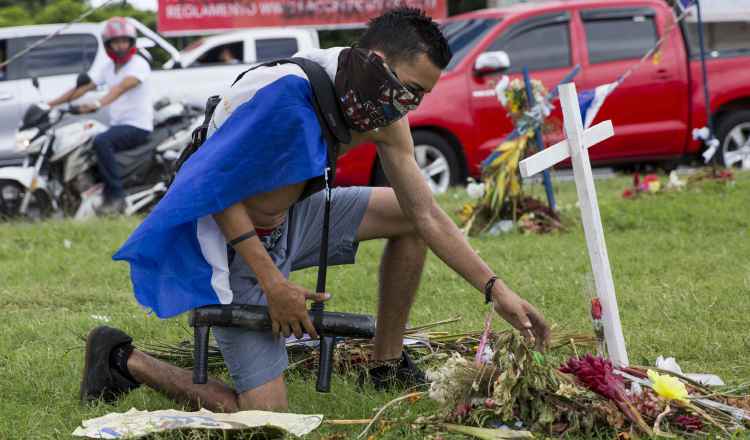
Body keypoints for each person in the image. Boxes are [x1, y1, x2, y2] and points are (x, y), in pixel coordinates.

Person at [80, 8, 550, 412]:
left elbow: (425, 213)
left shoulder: (380, 108)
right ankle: (123, 359)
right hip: (228, 242)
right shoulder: (282, 97)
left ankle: (384, 364)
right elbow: (209, 189)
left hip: (294, 219)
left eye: (420, 97)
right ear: (377, 64)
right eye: (407, 91)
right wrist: (273, 283)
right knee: (267, 415)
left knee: (407, 217)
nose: (408, 106)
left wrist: (496, 290)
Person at [49, 17, 153, 215]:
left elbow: (120, 88)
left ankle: (116, 197)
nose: (120, 46)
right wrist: (51, 104)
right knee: (85, 142)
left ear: (131, 42)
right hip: (119, 124)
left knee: (101, 142)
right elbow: (83, 88)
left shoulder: (138, 64)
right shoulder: (108, 67)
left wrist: (97, 104)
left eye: (124, 41)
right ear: (108, 45)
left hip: (138, 126)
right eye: (116, 42)